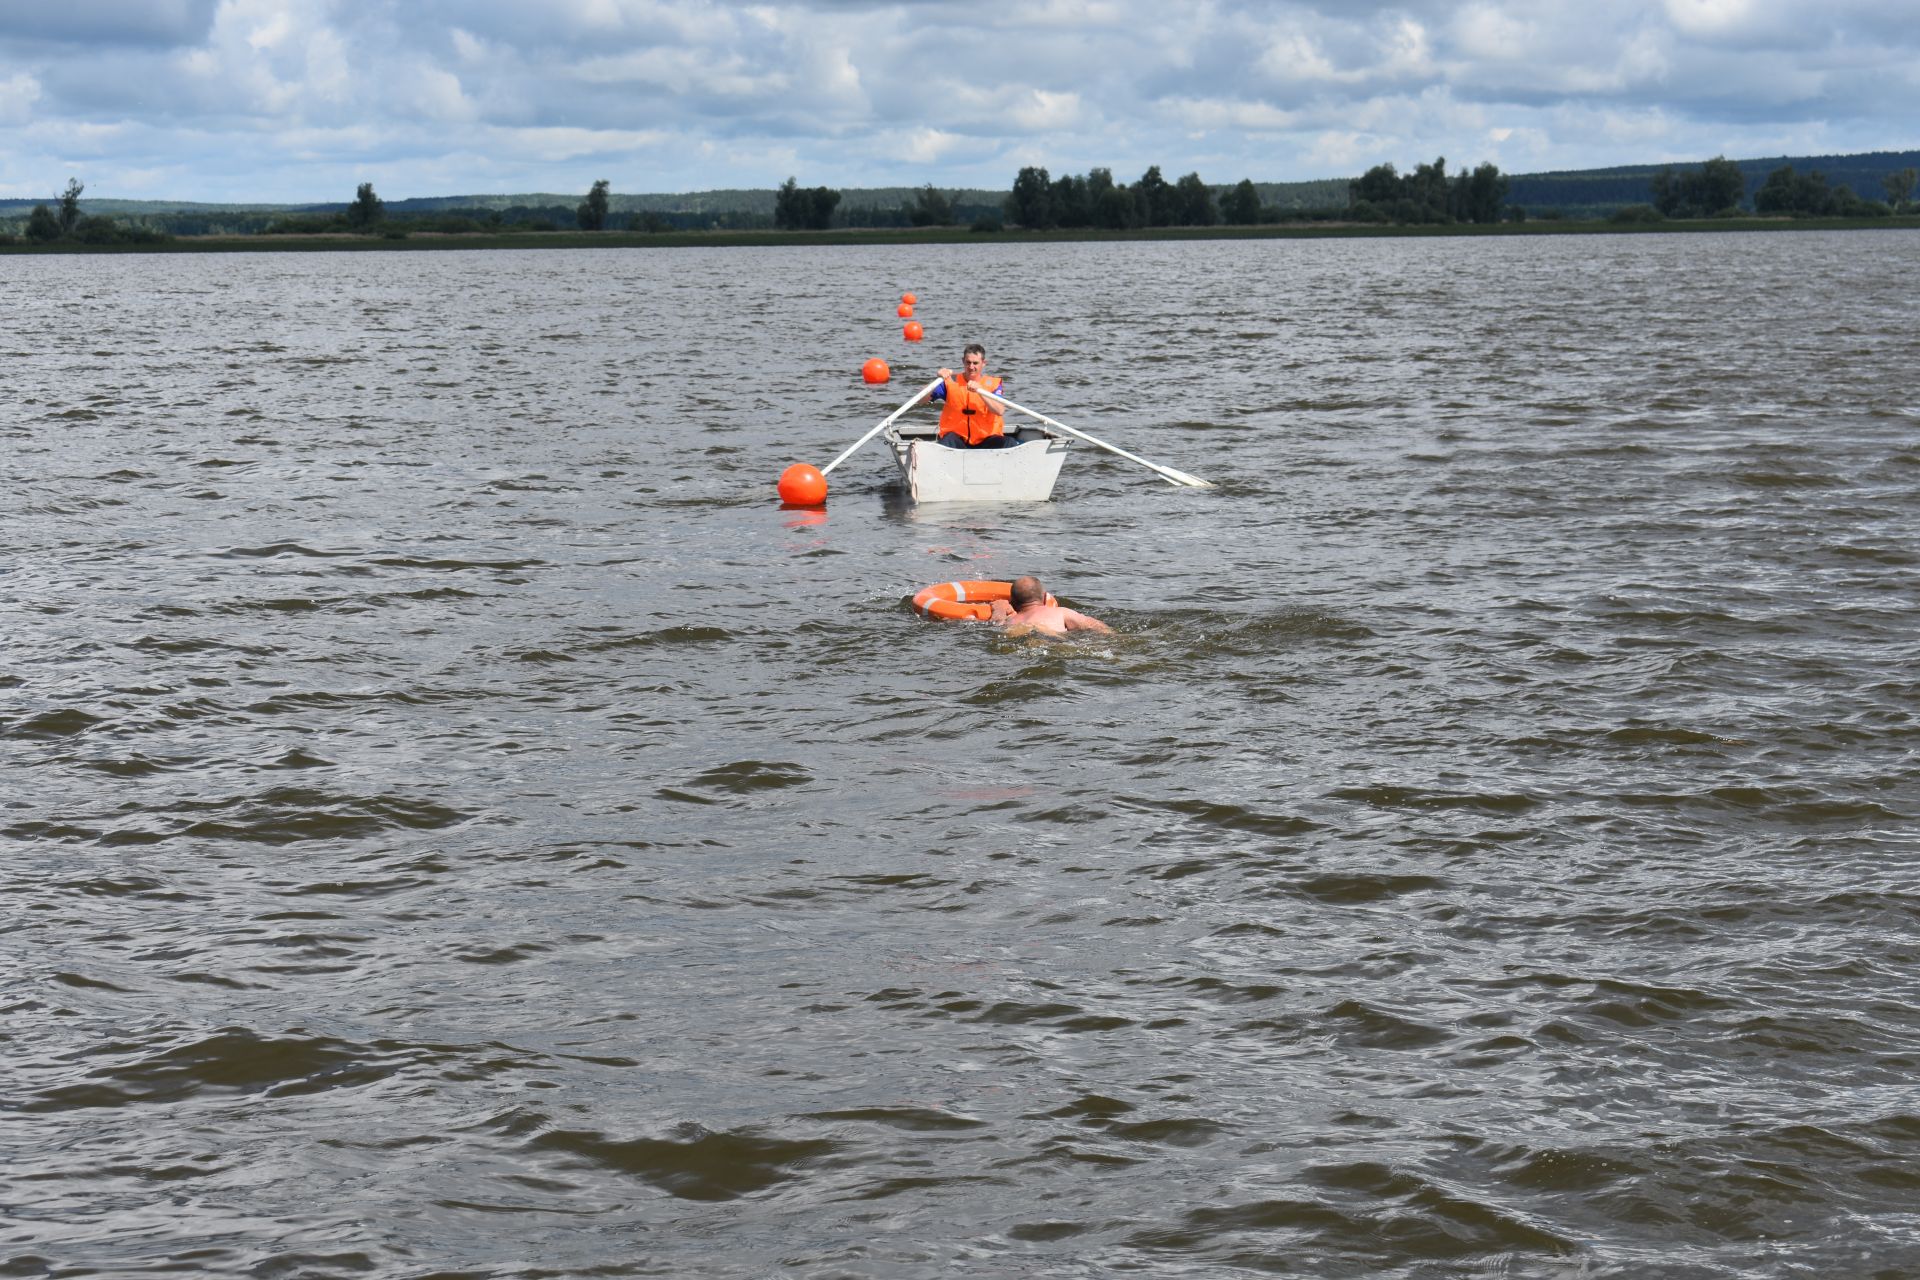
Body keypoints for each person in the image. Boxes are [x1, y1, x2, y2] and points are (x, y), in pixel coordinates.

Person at [920, 343, 1016, 448]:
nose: (971, 367)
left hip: (987, 440)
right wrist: (937, 380)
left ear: (983, 363)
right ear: (963, 361)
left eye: (975, 363)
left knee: (1009, 442)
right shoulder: (950, 381)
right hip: (958, 440)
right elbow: (921, 399)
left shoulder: (993, 384)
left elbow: (1000, 410)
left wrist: (981, 391)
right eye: (968, 362)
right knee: (948, 440)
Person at [989, 575, 1113, 638]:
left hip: (1023, 639)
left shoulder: (1010, 621)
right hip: (1055, 640)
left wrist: (998, 610)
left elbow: (994, 627)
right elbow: (1095, 626)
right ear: (1044, 599)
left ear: (1013, 603)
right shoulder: (1060, 613)